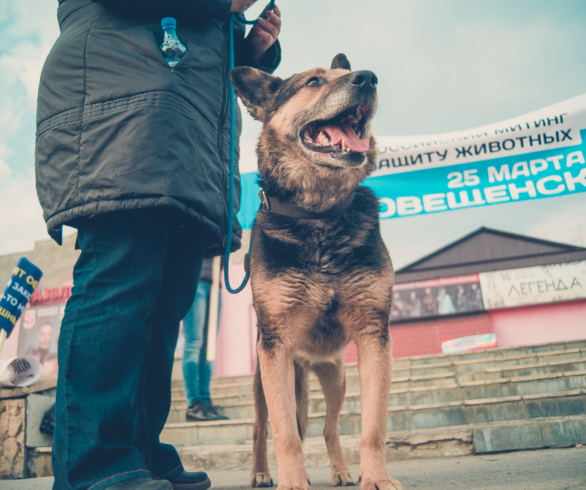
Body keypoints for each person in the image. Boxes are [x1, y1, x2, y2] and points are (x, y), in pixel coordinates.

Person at [35, 1, 281, 489]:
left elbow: (205, 37)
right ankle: (93, 465)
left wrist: (253, 49)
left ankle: (137, 451)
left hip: (183, 126)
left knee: (166, 301)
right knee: (119, 283)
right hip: (125, 105)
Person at [182, 257, 227, 422]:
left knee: (209, 349)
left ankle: (205, 401)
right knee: (194, 343)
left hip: (216, 286)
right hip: (196, 282)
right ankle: (194, 403)